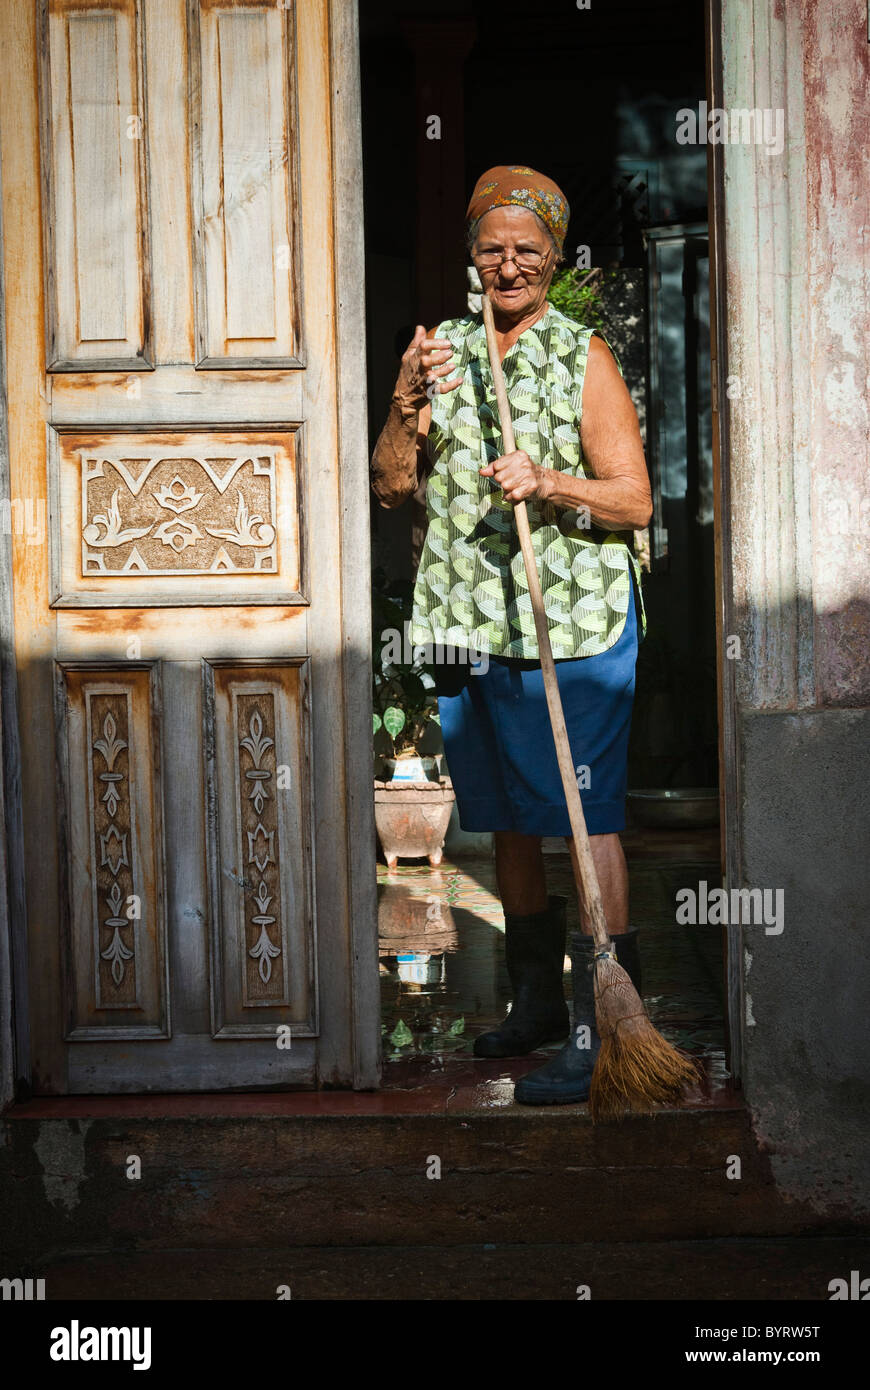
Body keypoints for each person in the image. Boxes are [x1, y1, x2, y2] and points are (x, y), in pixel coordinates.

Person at [370, 165, 653, 1104]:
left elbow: (635, 497)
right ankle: (535, 1006)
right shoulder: (440, 353)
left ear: (555, 257)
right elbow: (389, 486)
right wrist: (406, 405)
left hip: (569, 624)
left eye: (527, 250)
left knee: (583, 817)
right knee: (509, 822)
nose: (508, 264)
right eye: (491, 248)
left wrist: (552, 483)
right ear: (470, 256)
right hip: (464, 621)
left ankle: (602, 1018)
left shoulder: (585, 356)